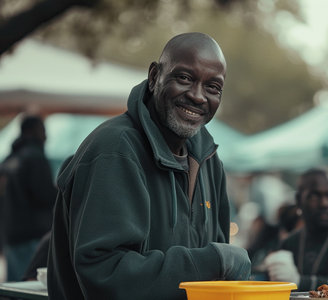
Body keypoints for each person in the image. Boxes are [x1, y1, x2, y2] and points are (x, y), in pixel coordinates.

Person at [47, 32, 251, 300]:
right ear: (155, 76)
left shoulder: (209, 161)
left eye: (213, 87)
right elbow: (104, 275)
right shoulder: (115, 149)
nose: (198, 96)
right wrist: (211, 261)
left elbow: (215, 283)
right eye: (185, 78)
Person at [0, 115, 57, 282]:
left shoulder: (9, 160)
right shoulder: (35, 158)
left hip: (10, 234)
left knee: (14, 288)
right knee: (30, 288)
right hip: (33, 235)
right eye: (43, 130)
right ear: (32, 131)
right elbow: (45, 195)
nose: (46, 136)